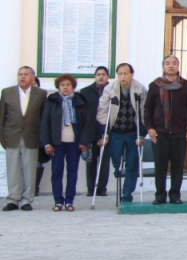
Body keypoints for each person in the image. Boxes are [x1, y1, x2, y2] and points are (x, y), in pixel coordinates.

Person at [144, 55, 187, 205]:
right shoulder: (155, 85)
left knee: (177, 165)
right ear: (163, 67)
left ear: (178, 67)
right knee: (160, 165)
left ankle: (175, 195)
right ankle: (160, 195)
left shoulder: (186, 85)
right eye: (167, 63)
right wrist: (150, 128)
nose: (171, 66)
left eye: (174, 63)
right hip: (160, 132)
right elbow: (148, 108)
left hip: (180, 132)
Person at [96, 63, 148, 204]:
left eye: (126, 73)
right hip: (115, 133)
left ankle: (127, 195)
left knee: (132, 164)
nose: (123, 76)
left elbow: (144, 112)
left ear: (132, 74)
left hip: (133, 132)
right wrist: (104, 132)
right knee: (116, 162)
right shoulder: (110, 89)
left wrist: (142, 134)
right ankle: (118, 173)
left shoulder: (140, 89)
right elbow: (102, 110)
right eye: (120, 73)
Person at [40, 74, 90, 211]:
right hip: (57, 143)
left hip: (74, 143)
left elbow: (86, 123)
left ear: (73, 86)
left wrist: (83, 141)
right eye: (62, 85)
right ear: (58, 87)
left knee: (72, 172)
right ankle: (58, 201)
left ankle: (69, 201)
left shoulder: (79, 100)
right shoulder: (52, 101)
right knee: (57, 172)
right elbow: (45, 123)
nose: (65, 88)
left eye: (68, 85)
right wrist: (46, 143)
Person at [0, 66, 47, 211]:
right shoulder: (7, 92)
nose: (22, 77)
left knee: (29, 169)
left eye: (26, 74)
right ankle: (13, 199)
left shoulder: (40, 94)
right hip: (11, 135)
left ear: (32, 77)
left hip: (31, 136)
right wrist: (1, 137)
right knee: (12, 169)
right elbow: (2, 116)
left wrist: (42, 138)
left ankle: (27, 200)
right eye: (20, 74)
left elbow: (43, 117)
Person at [80, 66, 111, 197]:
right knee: (90, 162)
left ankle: (102, 188)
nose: (101, 77)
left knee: (104, 162)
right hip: (90, 131)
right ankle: (91, 188)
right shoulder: (85, 92)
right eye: (98, 74)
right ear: (95, 76)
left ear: (108, 77)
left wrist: (107, 133)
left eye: (103, 74)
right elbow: (82, 114)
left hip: (107, 132)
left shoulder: (113, 90)